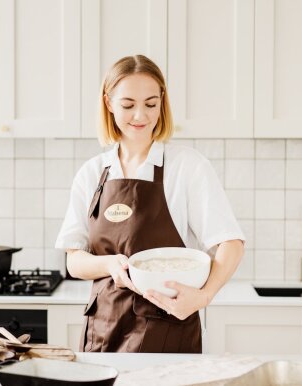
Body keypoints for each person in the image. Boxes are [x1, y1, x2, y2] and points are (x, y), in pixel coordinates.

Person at [55, 55, 245, 353]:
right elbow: (74, 260)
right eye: (128, 105)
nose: (140, 115)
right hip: (103, 331)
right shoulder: (93, 173)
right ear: (108, 103)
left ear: (162, 102)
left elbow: (231, 244)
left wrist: (204, 296)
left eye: (151, 104)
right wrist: (109, 263)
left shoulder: (187, 167)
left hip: (168, 328)